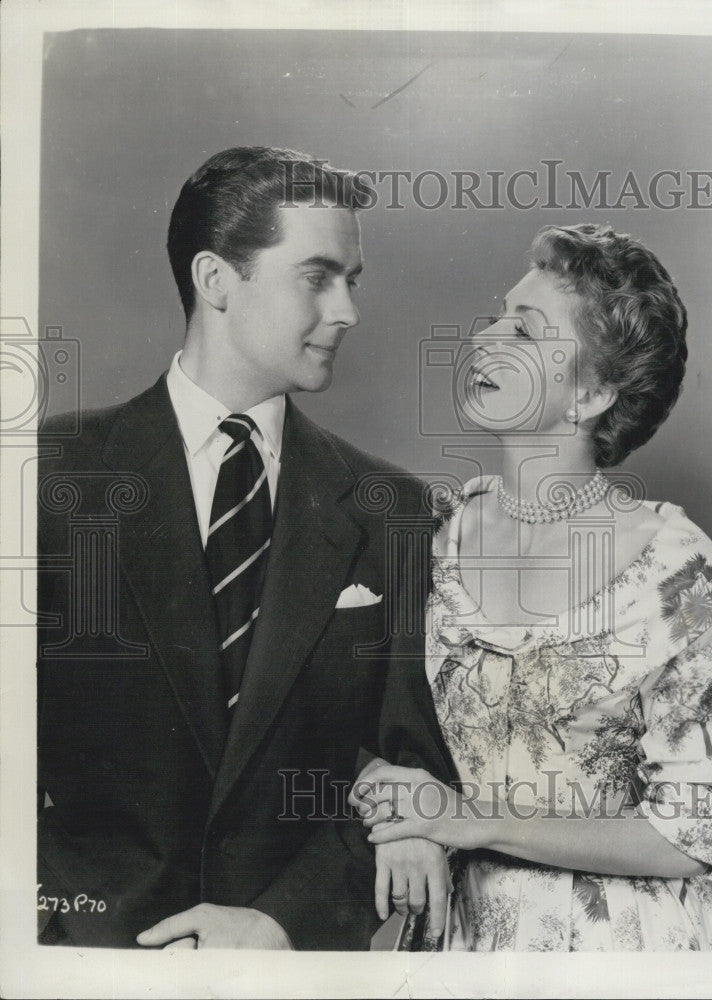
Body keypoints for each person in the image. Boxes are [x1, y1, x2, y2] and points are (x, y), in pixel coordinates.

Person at [36, 146, 456, 949]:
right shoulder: (46, 479)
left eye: (352, 281)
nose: (348, 312)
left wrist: (281, 923)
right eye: (317, 276)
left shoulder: (393, 510)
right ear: (215, 279)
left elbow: (414, 769)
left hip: (287, 962)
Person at [351, 223, 712, 951]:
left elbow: (692, 833)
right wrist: (386, 788)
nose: (485, 340)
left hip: (623, 953)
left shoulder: (682, 573)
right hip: (456, 949)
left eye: (526, 331)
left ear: (591, 392)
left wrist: (471, 821)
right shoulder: (426, 534)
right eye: (496, 317)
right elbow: (338, 726)